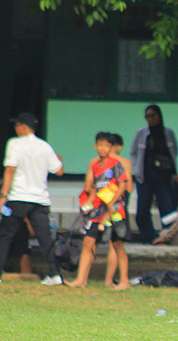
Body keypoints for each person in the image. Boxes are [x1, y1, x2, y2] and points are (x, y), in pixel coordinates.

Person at [0, 112, 64, 285]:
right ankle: (55, 274)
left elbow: (10, 169)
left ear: (22, 126)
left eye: (16, 126)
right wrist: (60, 160)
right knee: (45, 238)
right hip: (40, 200)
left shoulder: (14, 144)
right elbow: (58, 170)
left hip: (18, 197)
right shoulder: (44, 146)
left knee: (5, 235)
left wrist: (3, 195)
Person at [67, 132, 129, 289]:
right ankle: (81, 280)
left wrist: (112, 203)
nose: (103, 149)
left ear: (112, 148)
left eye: (106, 146)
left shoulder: (116, 164)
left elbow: (123, 185)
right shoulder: (94, 165)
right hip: (98, 209)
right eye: (100, 145)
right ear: (96, 146)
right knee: (88, 242)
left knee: (117, 245)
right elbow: (92, 186)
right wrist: (89, 202)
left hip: (113, 210)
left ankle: (124, 281)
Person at [130, 104, 178, 243]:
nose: (150, 119)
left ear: (159, 116)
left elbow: (174, 150)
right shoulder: (141, 133)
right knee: (143, 209)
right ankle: (148, 236)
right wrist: (137, 169)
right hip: (145, 176)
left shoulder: (167, 133)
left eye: (153, 116)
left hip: (163, 177)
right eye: (147, 116)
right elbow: (133, 152)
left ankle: (167, 236)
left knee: (168, 208)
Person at [103, 133, 133, 287]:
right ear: (119, 147)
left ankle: (109, 280)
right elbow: (129, 187)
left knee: (110, 243)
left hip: (102, 204)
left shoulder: (100, 162)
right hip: (118, 206)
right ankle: (119, 279)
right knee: (116, 244)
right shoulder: (124, 162)